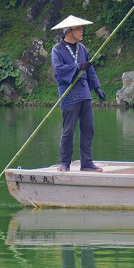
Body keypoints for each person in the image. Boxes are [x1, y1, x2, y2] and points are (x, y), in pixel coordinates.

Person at [51, 15, 107, 172]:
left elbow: (90, 68)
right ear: (69, 31)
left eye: (82, 28)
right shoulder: (57, 49)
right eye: (79, 29)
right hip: (69, 94)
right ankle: (65, 163)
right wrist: (77, 67)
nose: (82, 31)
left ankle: (87, 162)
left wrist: (96, 88)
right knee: (68, 130)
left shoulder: (81, 48)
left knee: (88, 128)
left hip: (84, 93)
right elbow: (59, 69)